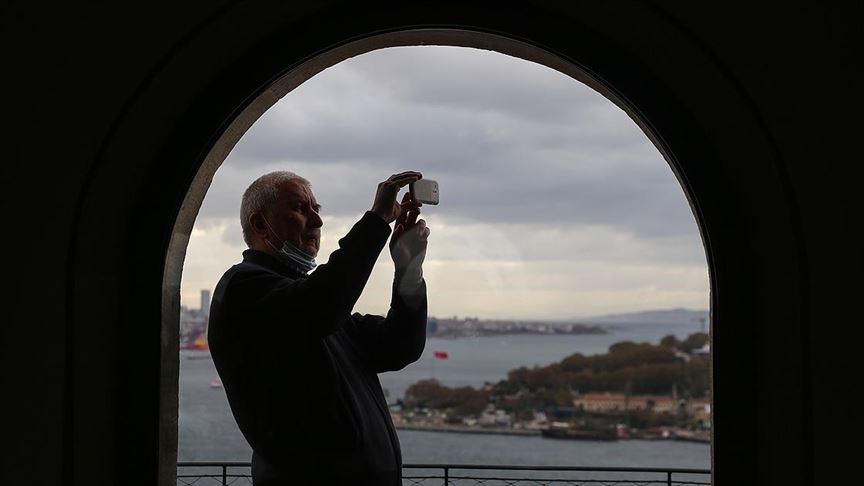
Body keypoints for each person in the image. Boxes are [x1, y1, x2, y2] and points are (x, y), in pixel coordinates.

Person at [207, 170, 430, 485]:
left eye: (317, 210)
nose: (317, 221)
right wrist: (377, 219)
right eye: (300, 208)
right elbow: (322, 304)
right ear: (259, 225)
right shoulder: (243, 289)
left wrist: (409, 269)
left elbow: (399, 346)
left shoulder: (310, 305)